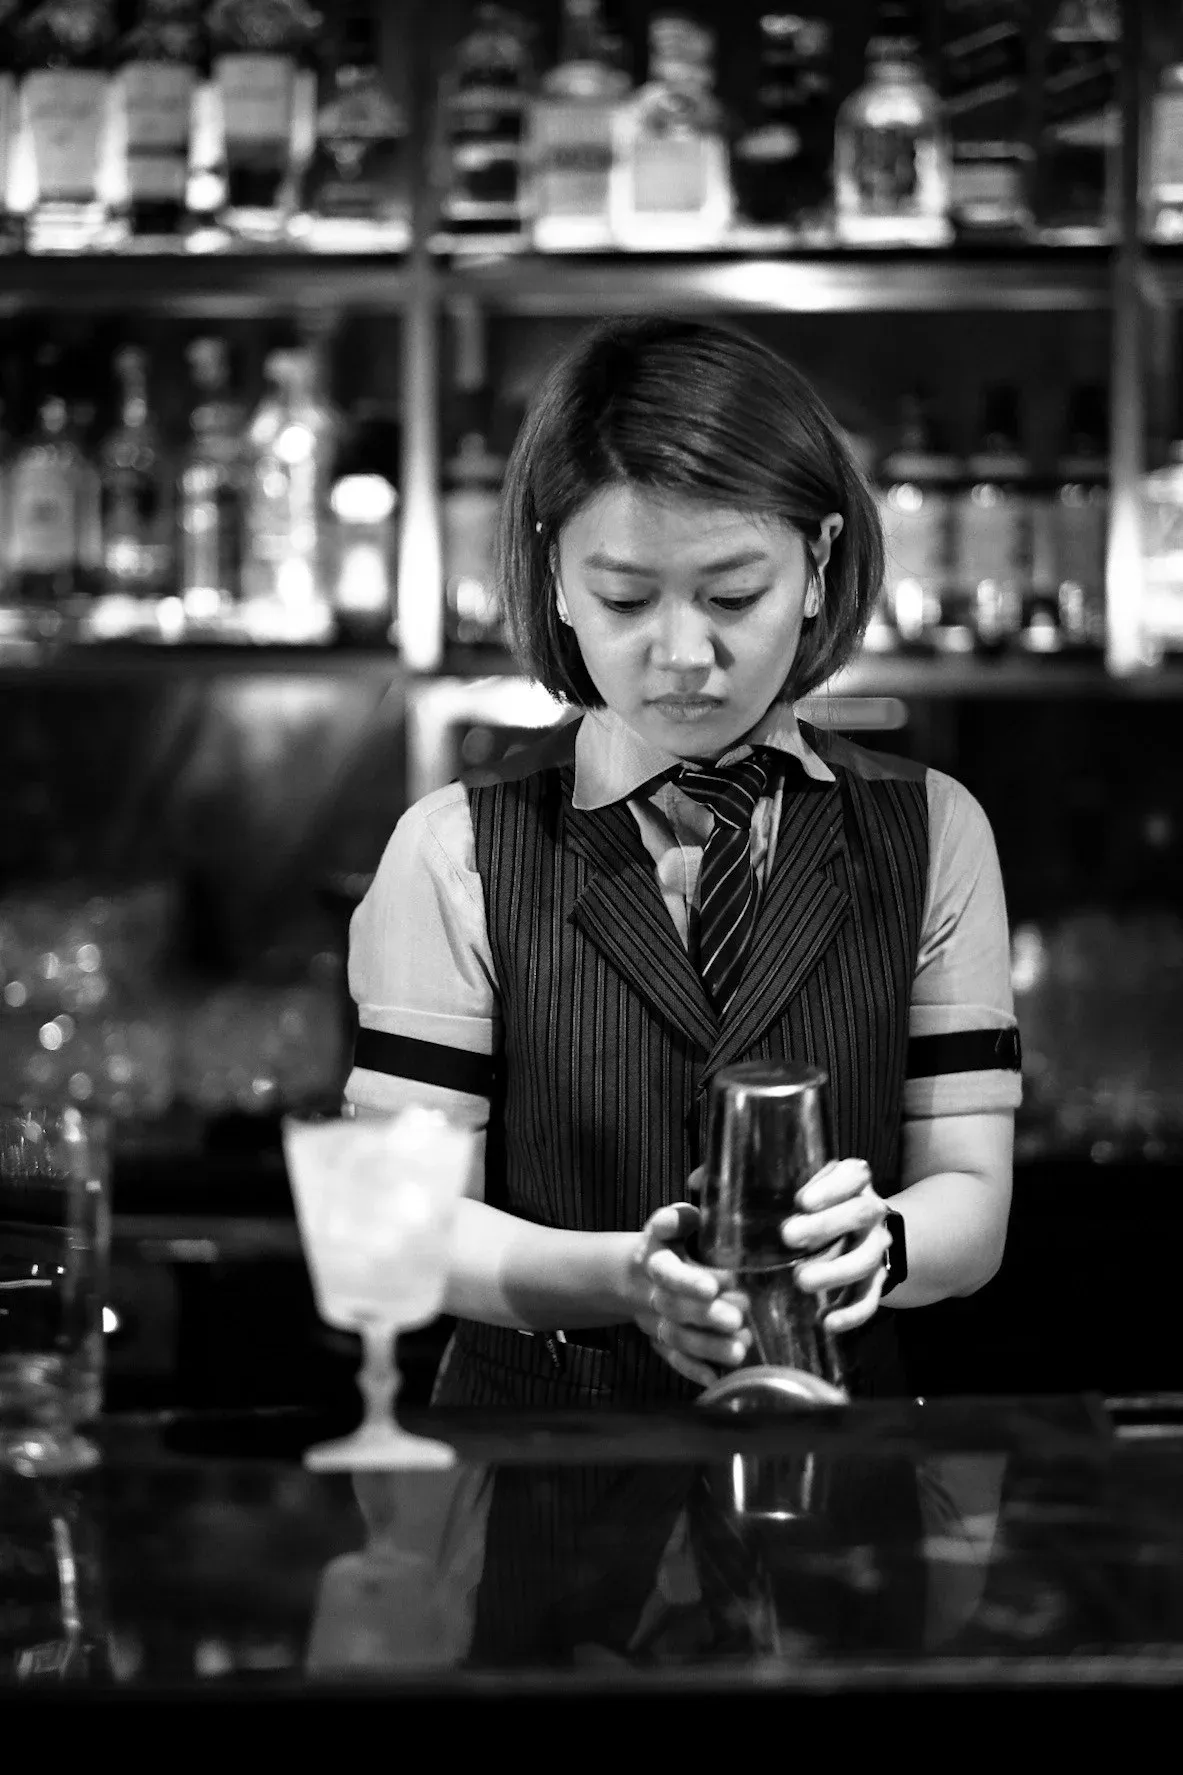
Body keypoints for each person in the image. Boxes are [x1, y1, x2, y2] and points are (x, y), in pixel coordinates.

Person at [345, 315, 1022, 1409]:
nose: (681, 656)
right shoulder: (454, 847)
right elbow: (402, 1228)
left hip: (832, 1488)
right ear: (555, 578)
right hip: (541, 1496)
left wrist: (883, 1241)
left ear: (820, 565)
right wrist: (623, 1278)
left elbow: (971, 1201)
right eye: (622, 598)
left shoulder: (932, 830)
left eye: (731, 595)